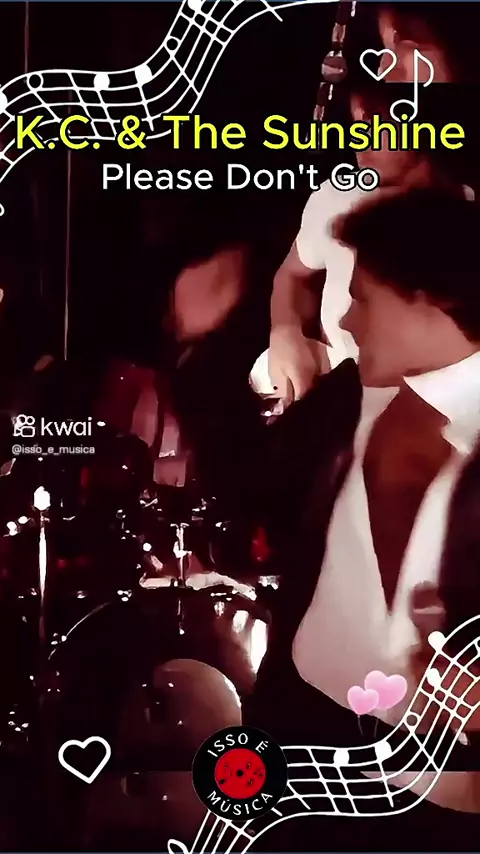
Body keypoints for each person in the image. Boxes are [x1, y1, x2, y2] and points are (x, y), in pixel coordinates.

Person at [243, 188, 480, 849]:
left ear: (428, 303)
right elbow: (254, 502)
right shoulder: (343, 403)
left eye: (364, 299)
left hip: (439, 806)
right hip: (298, 751)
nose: (344, 321)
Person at [263, 1, 480, 401]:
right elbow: (290, 275)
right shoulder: (338, 195)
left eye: (375, 123)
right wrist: (286, 331)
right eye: (356, 123)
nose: (359, 138)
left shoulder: (465, 218)